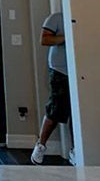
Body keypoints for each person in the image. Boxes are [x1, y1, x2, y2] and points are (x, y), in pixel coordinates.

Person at [31, 11, 74, 165]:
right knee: (55, 110)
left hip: (79, 71)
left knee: (75, 113)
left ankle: (75, 149)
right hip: (60, 71)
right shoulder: (57, 18)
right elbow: (44, 39)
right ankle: (40, 146)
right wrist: (67, 37)